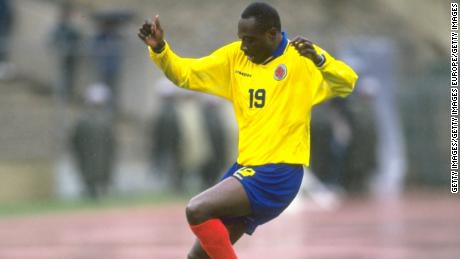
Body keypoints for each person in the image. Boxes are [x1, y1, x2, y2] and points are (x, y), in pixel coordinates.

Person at [138, 2, 358, 258]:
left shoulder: (302, 57)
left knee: (197, 209)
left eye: (250, 40)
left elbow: (347, 83)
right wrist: (161, 50)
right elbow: (186, 74)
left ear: (272, 34)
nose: (244, 46)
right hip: (247, 168)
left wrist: (320, 60)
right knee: (199, 256)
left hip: (278, 172)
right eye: (241, 38)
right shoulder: (235, 58)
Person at [70, 83, 117, 199]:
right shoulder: (105, 121)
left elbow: (74, 141)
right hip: (99, 158)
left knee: (91, 180)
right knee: (99, 179)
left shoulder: (83, 121)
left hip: (90, 158)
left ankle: (94, 193)